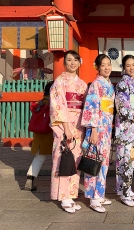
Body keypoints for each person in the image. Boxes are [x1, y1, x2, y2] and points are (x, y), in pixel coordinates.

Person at [49, 50, 87, 213]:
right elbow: (58, 107)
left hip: (79, 125)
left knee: (75, 160)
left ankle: (71, 194)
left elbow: (87, 107)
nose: (72, 63)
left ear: (80, 62)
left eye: (75, 60)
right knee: (62, 159)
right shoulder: (59, 82)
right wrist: (65, 128)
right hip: (65, 126)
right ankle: (63, 197)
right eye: (69, 60)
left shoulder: (83, 84)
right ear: (64, 63)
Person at [81, 54, 115, 213]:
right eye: (103, 65)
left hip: (106, 128)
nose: (107, 67)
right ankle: (94, 199)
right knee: (94, 160)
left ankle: (99, 194)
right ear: (98, 67)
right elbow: (91, 108)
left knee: (104, 162)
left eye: (109, 64)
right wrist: (93, 130)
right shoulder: (95, 85)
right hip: (97, 128)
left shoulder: (108, 84)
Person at [114, 55, 134, 207]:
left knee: (130, 160)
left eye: (133, 65)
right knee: (123, 160)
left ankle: (126, 188)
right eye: (128, 65)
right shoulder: (122, 84)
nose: (131, 68)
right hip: (126, 127)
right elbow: (122, 107)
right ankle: (124, 193)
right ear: (124, 68)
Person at [23, 81, 54, 191]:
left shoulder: (41, 102)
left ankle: (29, 180)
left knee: (39, 157)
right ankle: (59, 184)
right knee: (60, 158)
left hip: (40, 134)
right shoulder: (55, 102)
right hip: (52, 133)